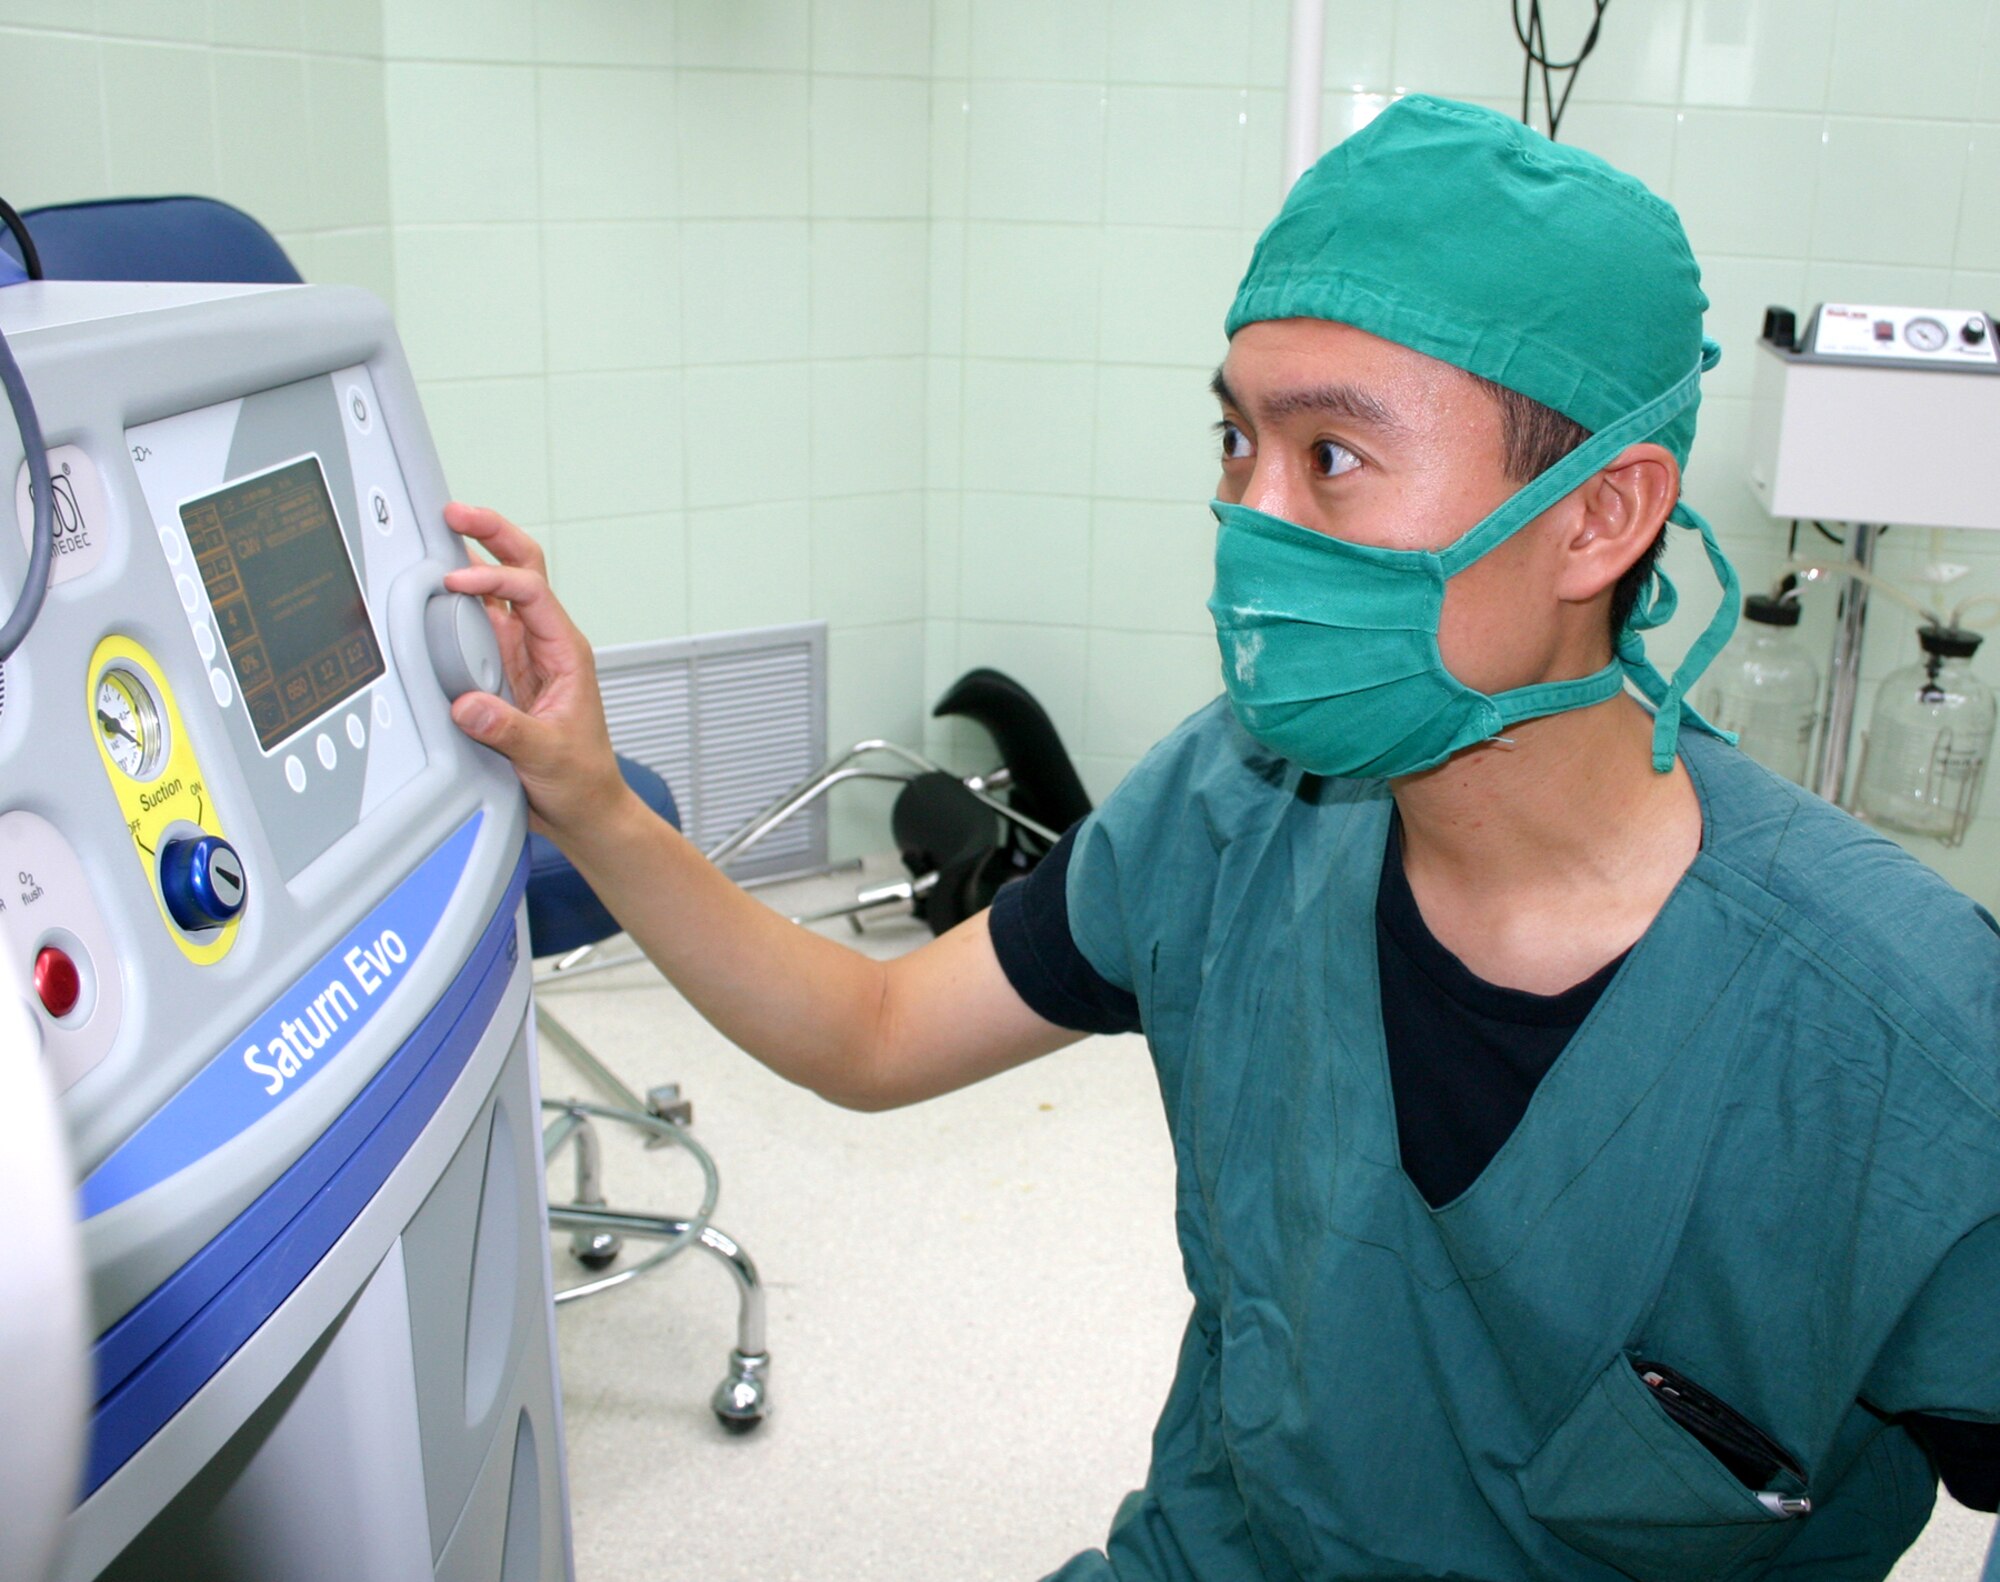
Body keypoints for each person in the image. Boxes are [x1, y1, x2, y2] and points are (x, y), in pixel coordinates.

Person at [444, 96, 2000, 1581]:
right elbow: (870, 1024)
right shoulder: (1236, 809)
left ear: (1601, 517)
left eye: (1329, 457)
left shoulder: (1899, 1040)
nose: (1252, 523)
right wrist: (586, 791)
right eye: (1235, 443)